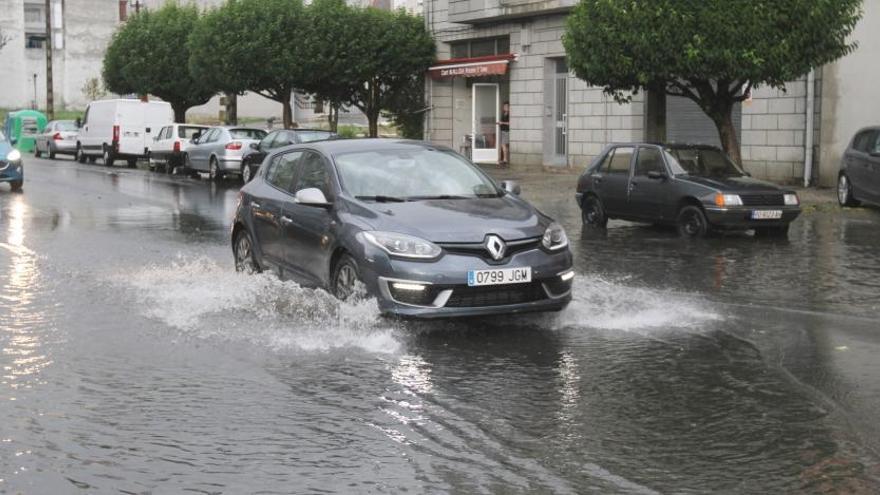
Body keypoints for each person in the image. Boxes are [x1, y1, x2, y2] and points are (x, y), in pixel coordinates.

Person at [497, 102, 510, 168]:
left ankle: (505, 159)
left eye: (506, 106)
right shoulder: (504, 114)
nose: (504, 108)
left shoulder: (509, 114)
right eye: (504, 106)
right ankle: (505, 159)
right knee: (504, 145)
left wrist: (502, 123)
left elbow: (509, 123)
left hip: (506, 131)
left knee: (504, 145)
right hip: (503, 131)